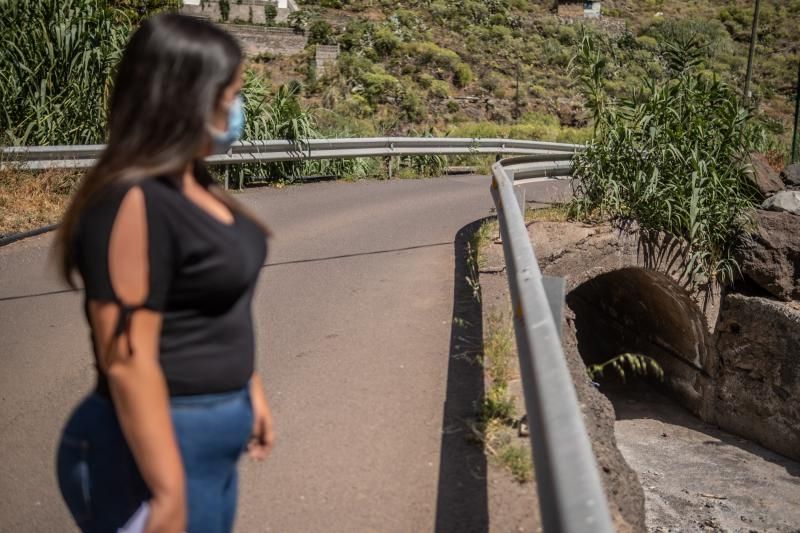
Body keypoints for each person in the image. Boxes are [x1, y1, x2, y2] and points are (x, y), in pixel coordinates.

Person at [53, 14, 274, 533]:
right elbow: (126, 359)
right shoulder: (132, 199)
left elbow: (218, 305)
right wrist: (168, 490)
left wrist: (250, 388)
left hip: (209, 446)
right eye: (231, 93)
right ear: (187, 97)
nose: (236, 109)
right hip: (152, 455)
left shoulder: (196, 185)